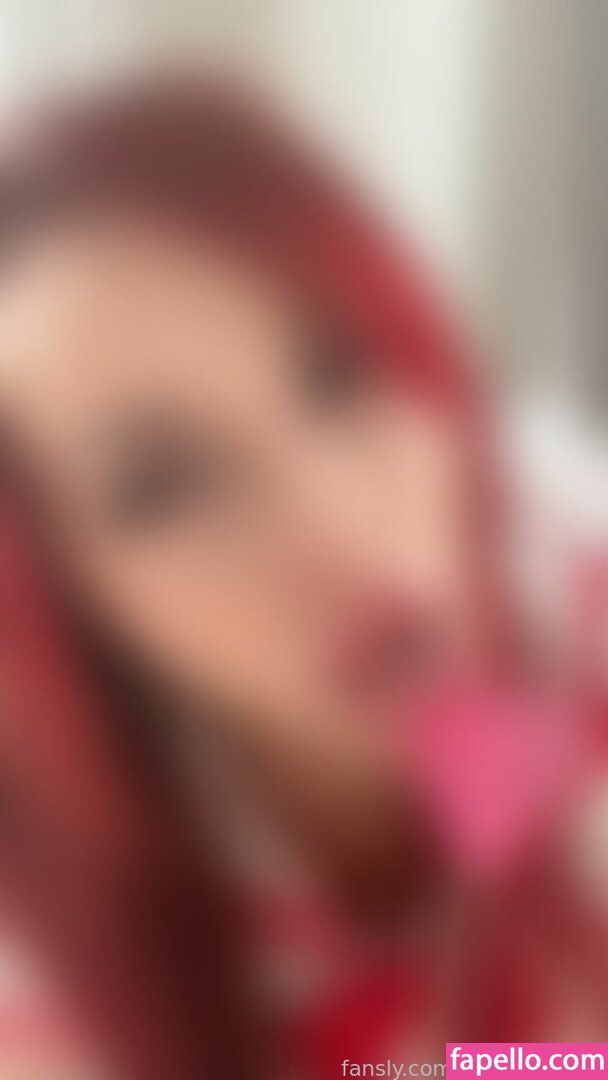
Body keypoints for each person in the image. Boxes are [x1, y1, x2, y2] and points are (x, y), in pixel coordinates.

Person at [0, 79, 605, 1079]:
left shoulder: (560, 577)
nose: (342, 534)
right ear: (62, 598)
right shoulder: (54, 941)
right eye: (162, 487)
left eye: (341, 373)